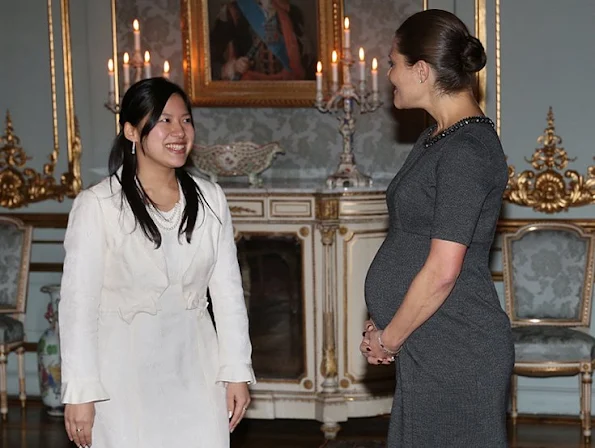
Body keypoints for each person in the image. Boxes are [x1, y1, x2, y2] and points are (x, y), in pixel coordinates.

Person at [59, 77, 255, 448]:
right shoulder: (98, 206)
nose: (179, 131)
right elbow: (77, 308)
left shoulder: (211, 199)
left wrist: (236, 372)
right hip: (123, 381)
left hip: (197, 372)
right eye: (164, 120)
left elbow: (228, 294)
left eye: (186, 120)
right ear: (132, 131)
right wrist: (81, 391)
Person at [359, 9, 513, 448]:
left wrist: (389, 337)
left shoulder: (467, 150)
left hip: (458, 349)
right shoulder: (436, 138)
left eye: (393, 63)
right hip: (428, 340)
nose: (389, 74)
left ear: (421, 70)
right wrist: (387, 322)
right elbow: (410, 238)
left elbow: (444, 270)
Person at [209, 0, 315, 81]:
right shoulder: (233, 12)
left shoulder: (292, 12)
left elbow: (307, 61)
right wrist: (232, 67)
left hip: (287, 92)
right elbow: (208, 63)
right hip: (249, 94)